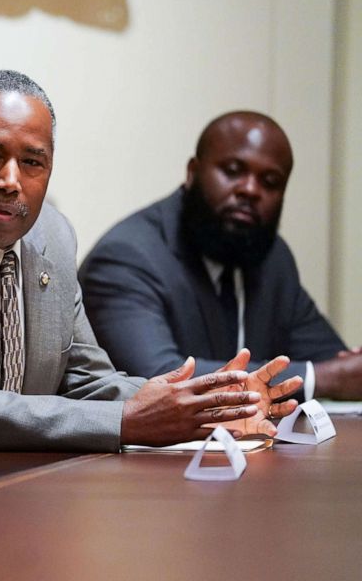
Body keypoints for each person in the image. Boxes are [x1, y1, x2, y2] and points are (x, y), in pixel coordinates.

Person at [0, 70, 299, 459]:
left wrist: (207, 403)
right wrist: (127, 421)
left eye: (32, 163)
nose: (9, 180)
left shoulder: (52, 237)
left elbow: (85, 378)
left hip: (3, 484)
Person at [79, 110, 362, 402]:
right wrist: (325, 379)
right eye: (232, 170)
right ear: (192, 172)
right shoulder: (127, 257)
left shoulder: (273, 259)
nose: (250, 190)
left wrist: (346, 371)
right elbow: (161, 379)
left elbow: (332, 362)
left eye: (270, 181)